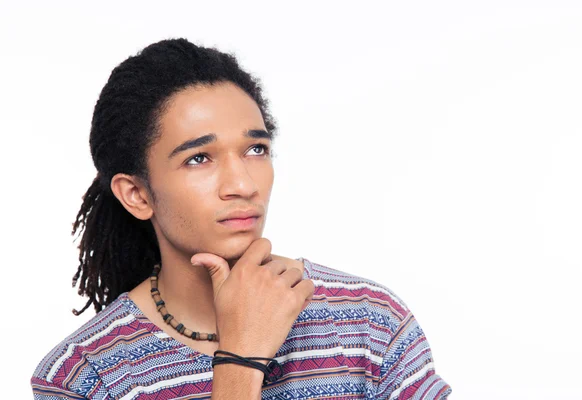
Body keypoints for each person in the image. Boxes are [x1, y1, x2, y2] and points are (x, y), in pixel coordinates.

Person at [30, 38, 452, 399]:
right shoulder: (84, 374)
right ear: (137, 194)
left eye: (256, 150)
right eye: (199, 158)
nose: (242, 184)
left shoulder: (369, 322)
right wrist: (240, 362)